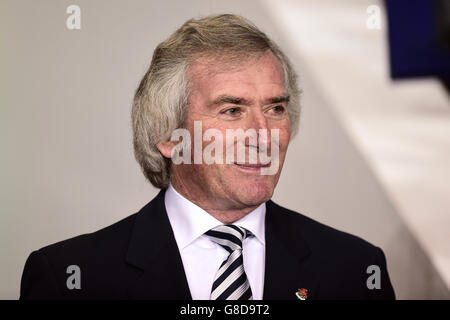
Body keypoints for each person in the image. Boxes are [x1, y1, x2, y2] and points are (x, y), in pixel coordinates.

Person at [20, 14, 395, 300]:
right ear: (167, 135)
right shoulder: (70, 278)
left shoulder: (355, 269)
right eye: (232, 110)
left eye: (276, 109)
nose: (263, 136)